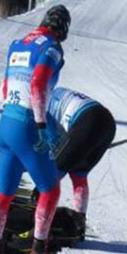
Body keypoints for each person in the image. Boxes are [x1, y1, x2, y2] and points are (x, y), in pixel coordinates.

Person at [0, 5, 71, 254]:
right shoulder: (52, 47)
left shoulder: (17, 44)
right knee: (50, 189)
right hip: (26, 124)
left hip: (6, 121)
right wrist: (42, 123)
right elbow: (37, 85)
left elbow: (4, 87)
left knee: (3, 194)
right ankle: (38, 253)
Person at [46, 86, 117, 238]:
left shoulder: (41, 106)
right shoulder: (56, 91)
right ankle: (79, 225)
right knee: (79, 174)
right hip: (107, 122)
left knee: (52, 175)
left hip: (86, 122)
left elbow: (54, 143)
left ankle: (44, 223)